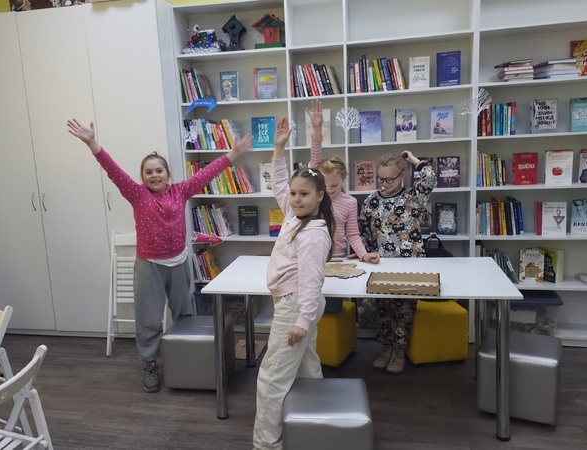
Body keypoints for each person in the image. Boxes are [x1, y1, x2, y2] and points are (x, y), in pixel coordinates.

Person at [67, 118, 252, 393]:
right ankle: (150, 363)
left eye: (159, 171)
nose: (154, 175)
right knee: (149, 319)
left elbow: (207, 174)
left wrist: (233, 154)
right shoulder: (136, 194)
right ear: (143, 176)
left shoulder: (181, 191)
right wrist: (92, 143)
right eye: (148, 172)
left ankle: (185, 357)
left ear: (168, 174)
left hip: (179, 262)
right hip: (149, 266)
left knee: (185, 315)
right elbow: (112, 170)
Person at [252, 116, 335, 450]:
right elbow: (279, 182)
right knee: (306, 366)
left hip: (296, 305)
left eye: (304, 194)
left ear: (319, 197)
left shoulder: (313, 233)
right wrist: (278, 148)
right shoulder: (293, 214)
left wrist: (302, 320)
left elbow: (312, 281)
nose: (296, 198)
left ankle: (265, 445)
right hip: (294, 304)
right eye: (294, 194)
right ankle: (316, 428)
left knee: (271, 378)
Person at [358, 150, 436, 374]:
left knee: (404, 308)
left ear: (402, 176)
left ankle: (399, 350)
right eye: (381, 179)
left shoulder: (414, 197)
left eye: (389, 179)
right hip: (382, 264)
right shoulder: (372, 200)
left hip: (410, 264)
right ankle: (387, 347)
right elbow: (364, 230)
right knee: (383, 308)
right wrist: (364, 253)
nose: (384, 184)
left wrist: (414, 161)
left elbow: (430, 178)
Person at [306, 99, 379, 266]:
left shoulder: (350, 202)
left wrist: (364, 255)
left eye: (335, 185)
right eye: (325, 186)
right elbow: (315, 157)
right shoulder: (314, 197)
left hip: (338, 257)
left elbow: (352, 234)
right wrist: (317, 129)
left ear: (343, 179)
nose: (330, 190)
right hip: (311, 255)